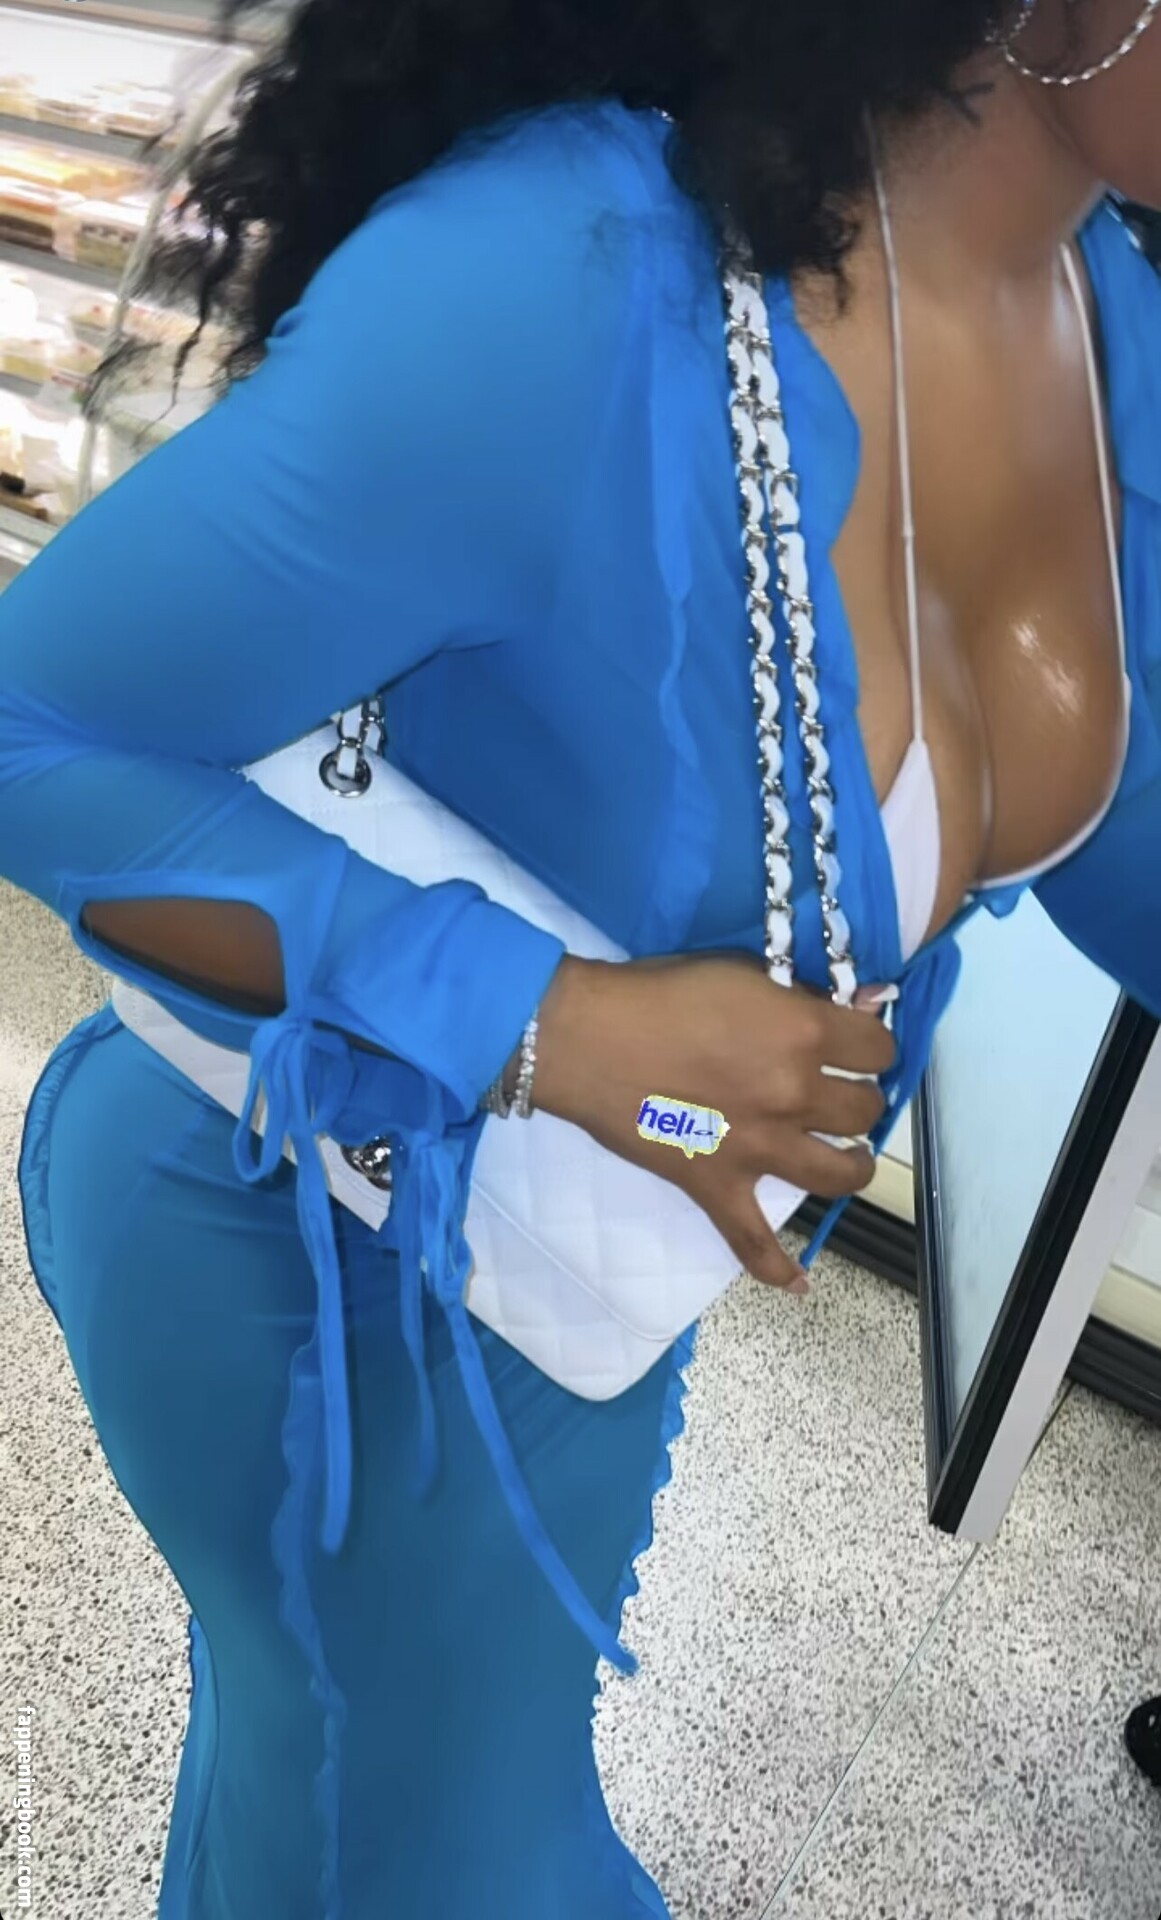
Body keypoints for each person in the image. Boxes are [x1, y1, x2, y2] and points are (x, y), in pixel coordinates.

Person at [1, 1, 1159, 1913]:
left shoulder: (1100, 317)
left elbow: (1115, 832)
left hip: (583, 1264)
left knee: (340, 1800)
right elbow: (32, 726)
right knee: (414, 1834)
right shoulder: (576, 280)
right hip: (307, 1240)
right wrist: (548, 1021)